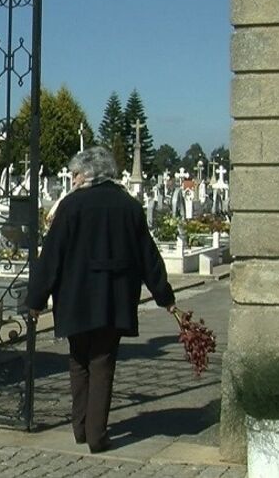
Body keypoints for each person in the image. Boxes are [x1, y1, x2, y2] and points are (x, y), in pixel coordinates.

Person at [26, 147, 176, 453]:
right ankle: (97, 433)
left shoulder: (71, 206)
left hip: (74, 297)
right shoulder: (129, 206)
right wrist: (165, 297)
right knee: (102, 362)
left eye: (76, 174)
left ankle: (81, 428)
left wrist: (36, 300)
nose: (74, 180)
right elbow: (149, 257)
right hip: (113, 298)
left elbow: (51, 256)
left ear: (89, 173)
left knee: (78, 360)